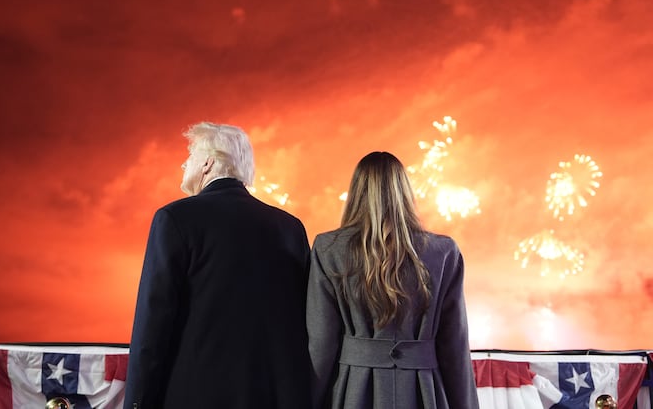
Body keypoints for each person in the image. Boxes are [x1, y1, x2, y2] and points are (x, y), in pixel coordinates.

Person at [123, 121, 312, 409]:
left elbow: (153, 323)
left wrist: (137, 402)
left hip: (194, 396)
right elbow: (303, 320)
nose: (184, 164)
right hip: (273, 397)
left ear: (208, 163)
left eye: (190, 156)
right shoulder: (290, 227)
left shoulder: (175, 219)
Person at [306, 151, 478, 409]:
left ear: (356, 192)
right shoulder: (443, 252)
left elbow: (321, 343)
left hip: (354, 391)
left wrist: (306, 399)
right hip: (424, 392)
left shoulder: (329, 248)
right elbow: (454, 346)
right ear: (405, 191)